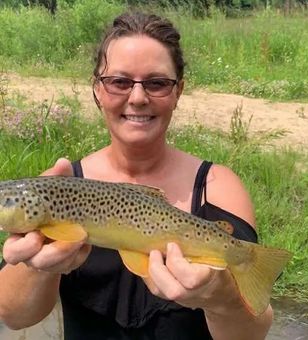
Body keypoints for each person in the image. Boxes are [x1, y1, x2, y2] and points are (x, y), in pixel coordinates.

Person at [0, 11, 273, 339]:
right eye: (119, 81)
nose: (138, 97)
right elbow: (13, 318)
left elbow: (251, 334)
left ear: (178, 91)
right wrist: (39, 267)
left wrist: (223, 299)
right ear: (98, 89)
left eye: (157, 83)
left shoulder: (218, 187)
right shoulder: (62, 185)